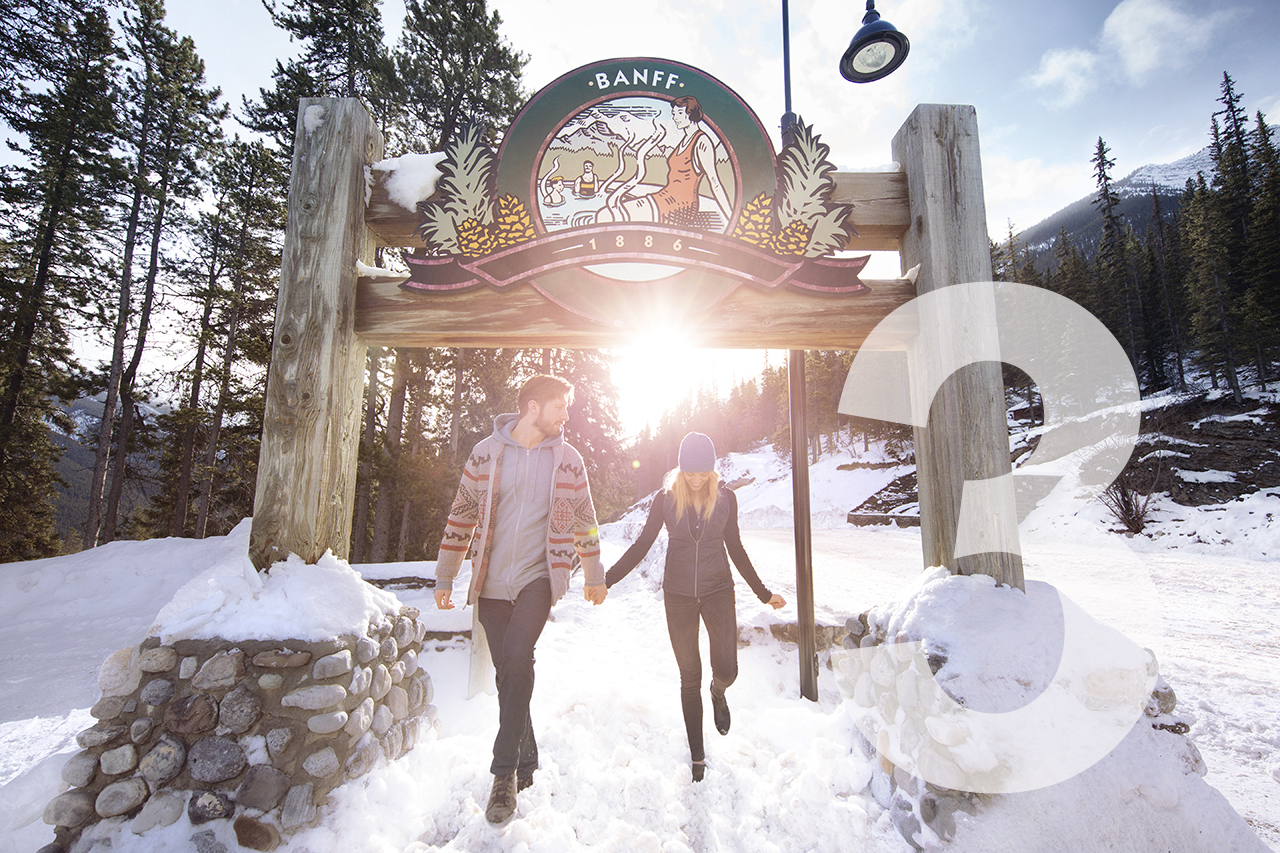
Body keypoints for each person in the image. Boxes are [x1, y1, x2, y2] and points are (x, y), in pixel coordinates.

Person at [434, 374, 607, 825]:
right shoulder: (486, 455)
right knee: (508, 672)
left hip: (538, 579)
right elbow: (462, 513)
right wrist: (445, 576)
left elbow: (585, 519)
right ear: (534, 407)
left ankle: (503, 776)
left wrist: (594, 572)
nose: (566, 416)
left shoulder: (568, 461)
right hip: (490, 583)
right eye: (560, 407)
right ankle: (526, 755)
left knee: (516, 655)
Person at [604, 432, 785, 782]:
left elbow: (736, 547)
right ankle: (697, 756)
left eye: (704, 473)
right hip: (679, 596)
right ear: (681, 470)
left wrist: (763, 593)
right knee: (689, 677)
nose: (698, 479)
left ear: (713, 471)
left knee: (728, 669)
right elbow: (642, 544)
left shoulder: (726, 499)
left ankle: (718, 693)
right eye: (691, 473)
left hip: (719, 591)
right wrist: (607, 580)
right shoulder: (666, 501)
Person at [595, 97, 733, 228]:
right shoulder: (684, 140)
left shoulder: (702, 142)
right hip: (664, 197)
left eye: (679, 113)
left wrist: (731, 218)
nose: (675, 117)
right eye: (673, 113)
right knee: (605, 213)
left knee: (606, 216)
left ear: (690, 114)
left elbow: (715, 182)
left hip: (680, 207)